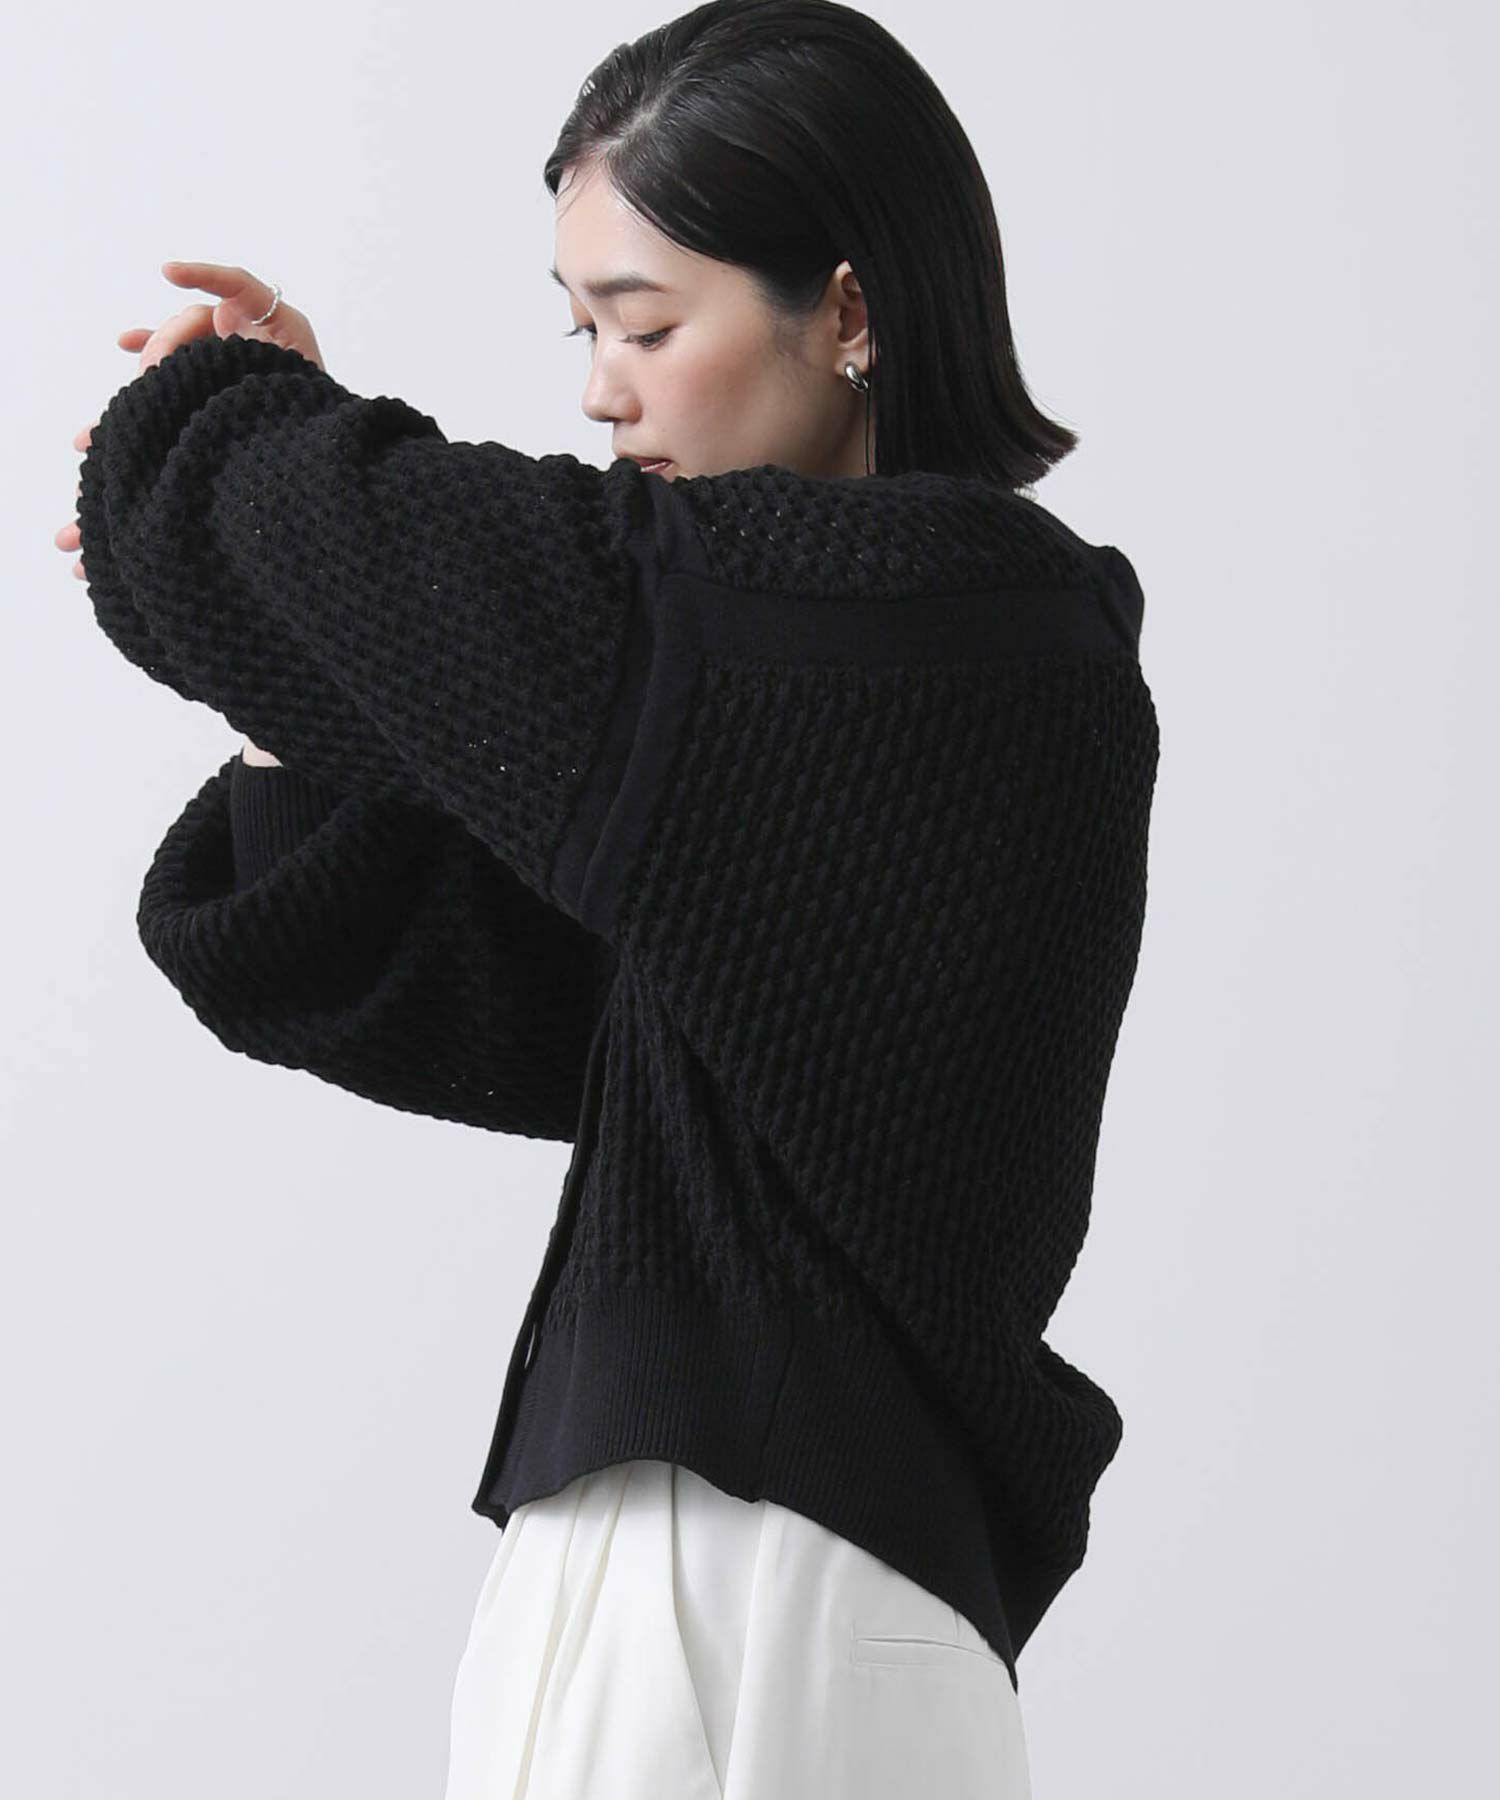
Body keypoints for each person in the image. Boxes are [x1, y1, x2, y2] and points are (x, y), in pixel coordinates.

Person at [59, 3, 1160, 1793]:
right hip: (767, 1597)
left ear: (851, 311)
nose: (599, 390)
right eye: (581, 330)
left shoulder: (917, 624)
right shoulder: (887, 683)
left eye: (646, 324)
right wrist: (292, 652)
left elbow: (402, 553)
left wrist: (235, 433)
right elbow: (430, 972)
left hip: (729, 1595)